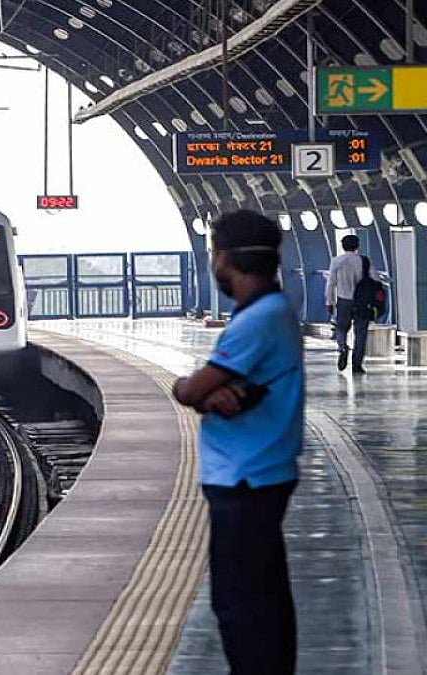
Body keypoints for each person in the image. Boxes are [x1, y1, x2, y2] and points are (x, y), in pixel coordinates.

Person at [172, 210, 304, 675]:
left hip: (246, 476)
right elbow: (209, 391)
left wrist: (196, 389)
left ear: (223, 257)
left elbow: (190, 390)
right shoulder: (272, 310)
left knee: (240, 602)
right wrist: (209, 392)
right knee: (264, 594)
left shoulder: (258, 319)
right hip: (262, 470)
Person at [326, 234, 374, 373]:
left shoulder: (336, 261)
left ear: (343, 246)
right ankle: (357, 364)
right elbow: (375, 279)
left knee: (341, 328)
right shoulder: (365, 261)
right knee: (361, 332)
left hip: (343, 300)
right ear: (357, 246)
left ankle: (342, 348)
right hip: (362, 302)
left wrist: (329, 301)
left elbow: (331, 283)